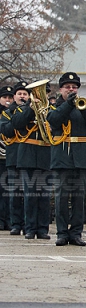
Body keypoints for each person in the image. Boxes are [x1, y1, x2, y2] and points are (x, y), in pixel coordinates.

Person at [47, 72, 86, 246]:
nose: (71, 89)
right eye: (67, 87)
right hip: (62, 157)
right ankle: (62, 233)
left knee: (79, 198)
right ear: (61, 89)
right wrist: (69, 104)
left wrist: (84, 108)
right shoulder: (56, 107)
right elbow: (54, 121)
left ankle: (76, 233)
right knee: (62, 198)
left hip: (81, 157)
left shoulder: (83, 106)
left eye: (74, 87)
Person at [11, 81, 52, 240]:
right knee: (30, 196)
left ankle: (42, 229)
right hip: (27, 155)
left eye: (44, 93)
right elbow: (17, 123)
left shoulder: (51, 110)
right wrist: (30, 108)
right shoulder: (22, 109)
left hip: (45, 154)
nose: (41, 96)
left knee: (44, 196)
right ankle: (30, 228)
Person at [1, 81, 28, 236]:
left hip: (29, 156)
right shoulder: (7, 113)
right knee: (15, 193)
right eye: (20, 94)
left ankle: (27, 223)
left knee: (29, 193)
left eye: (25, 94)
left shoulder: (32, 111)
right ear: (14, 96)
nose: (22, 96)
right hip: (14, 155)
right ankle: (15, 223)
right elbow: (7, 130)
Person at [0, 85, 14, 230]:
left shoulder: (13, 113)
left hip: (9, 156)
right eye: (5, 97)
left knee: (9, 190)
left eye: (10, 97)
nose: (8, 100)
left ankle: (8, 219)